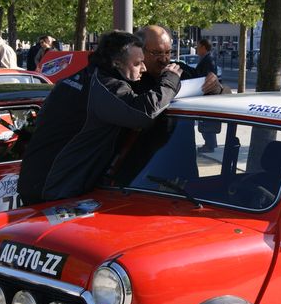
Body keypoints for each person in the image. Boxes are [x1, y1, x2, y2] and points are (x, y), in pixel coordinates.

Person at [17, 31, 182, 205]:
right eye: (137, 63)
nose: (144, 68)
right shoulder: (104, 86)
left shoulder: (78, 79)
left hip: (39, 181)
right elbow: (143, 113)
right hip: (56, 189)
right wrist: (170, 80)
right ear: (116, 62)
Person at [134, 25, 229, 96]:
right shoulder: (132, 78)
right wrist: (170, 81)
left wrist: (217, 88)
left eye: (168, 52)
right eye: (157, 53)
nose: (163, 59)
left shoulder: (181, 70)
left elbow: (226, 96)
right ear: (140, 51)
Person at [194, 38, 219, 153]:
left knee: (207, 122)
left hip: (208, 96)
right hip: (206, 95)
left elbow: (209, 77)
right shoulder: (207, 58)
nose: (196, 50)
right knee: (206, 122)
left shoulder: (209, 59)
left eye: (198, 47)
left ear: (204, 47)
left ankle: (210, 145)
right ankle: (210, 144)